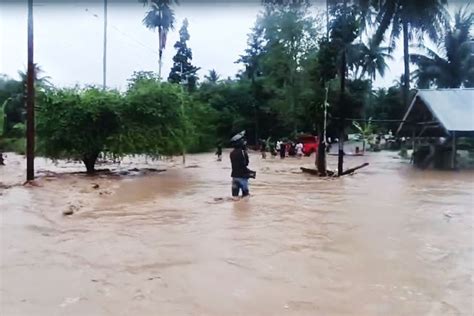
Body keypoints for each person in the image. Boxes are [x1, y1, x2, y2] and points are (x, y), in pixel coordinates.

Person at [230, 132, 255, 199]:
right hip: (242, 177)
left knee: (235, 197)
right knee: (246, 197)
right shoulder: (243, 152)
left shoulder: (232, 153)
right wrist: (250, 172)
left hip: (234, 177)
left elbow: (237, 165)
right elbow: (245, 164)